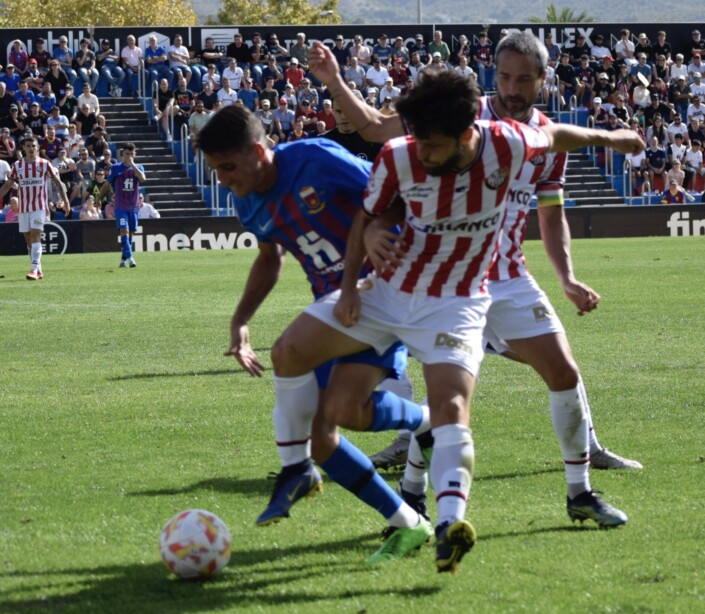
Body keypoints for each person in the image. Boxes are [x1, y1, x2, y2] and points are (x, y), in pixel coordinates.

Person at [308, 31, 644, 503]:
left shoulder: (536, 138)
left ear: (543, 81)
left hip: (506, 275)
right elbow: (371, 128)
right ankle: (411, 477)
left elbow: (550, 212)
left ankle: (584, 473)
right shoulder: (456, 113)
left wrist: (566, 277)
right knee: (446, 394)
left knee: (561, 368)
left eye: (523, 79)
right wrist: (336, 81)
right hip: (442, 279)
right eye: (504, 76)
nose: (512, 88)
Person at [197, 105, 433, 565]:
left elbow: (389, 193)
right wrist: (240, 320)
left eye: (228, 166)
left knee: (288, 354)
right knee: (328, 431)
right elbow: (270, 258)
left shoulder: (316, 159)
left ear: (260, 152)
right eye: (215, 170)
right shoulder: (246, 200)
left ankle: (295, 469)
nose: (223, 179)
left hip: (384, 292)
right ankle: (409, 516)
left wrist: (374, 235)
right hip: (334, 310)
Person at [0, 135, 68, 279]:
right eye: (28, 146)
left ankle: (33, 270)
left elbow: (57, 183)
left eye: (34, 146)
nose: (31, 149)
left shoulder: (45, 164)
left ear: (38, 147)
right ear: (24, 148)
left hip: (40, 206)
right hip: (23, 208)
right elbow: (7, 185)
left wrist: (66, 201)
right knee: (28, 239)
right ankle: (39, 269)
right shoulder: (17, 166)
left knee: (35, 234)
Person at [99, 143, 145, 267]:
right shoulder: (116, 168)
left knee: (130, 233)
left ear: (135, 154)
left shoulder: (139, 167)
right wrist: (99, 198)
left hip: (134, 206)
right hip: (120, 206)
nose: (129, 156)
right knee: (124, 230)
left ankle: (123, 260)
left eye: (131, 154)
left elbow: (143, 179)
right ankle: (130, 258)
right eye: (126, 154)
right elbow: (107, 184)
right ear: (122, 154)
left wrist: (133, 165)